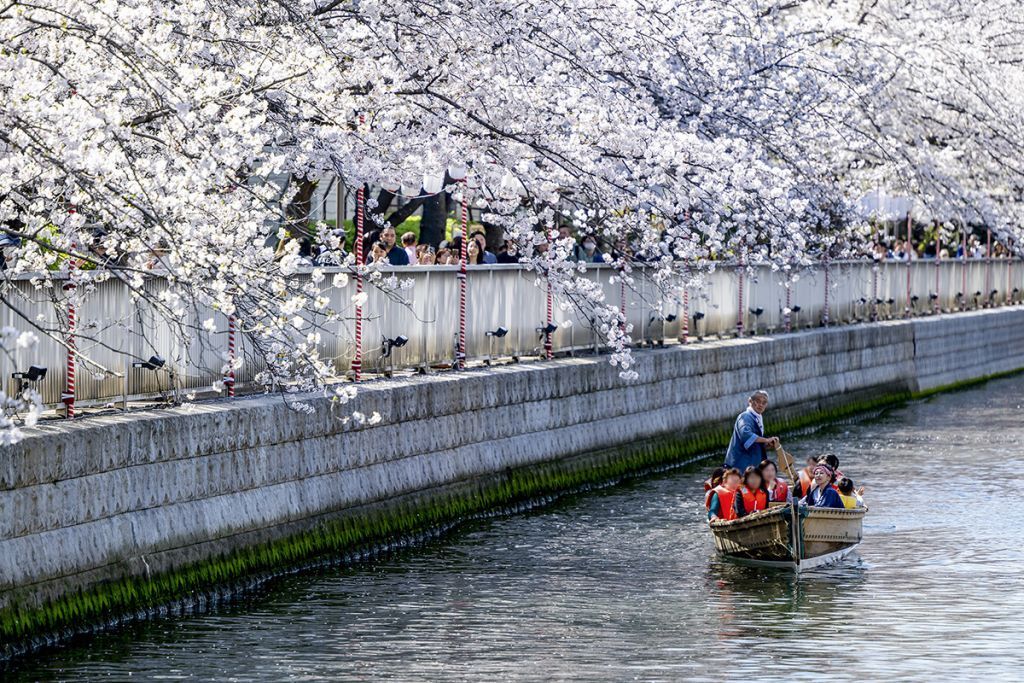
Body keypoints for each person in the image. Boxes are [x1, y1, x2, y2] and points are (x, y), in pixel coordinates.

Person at [724, 390, 781, 472]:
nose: (761, 405)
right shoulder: (745, 417)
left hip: (751, 464)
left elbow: (753, 442)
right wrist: (766, 440)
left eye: (764, 403)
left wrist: (765, 444)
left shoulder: (756, 417)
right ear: (750, 401)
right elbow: (746, 435)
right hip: (740, 465)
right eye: (758, 401)